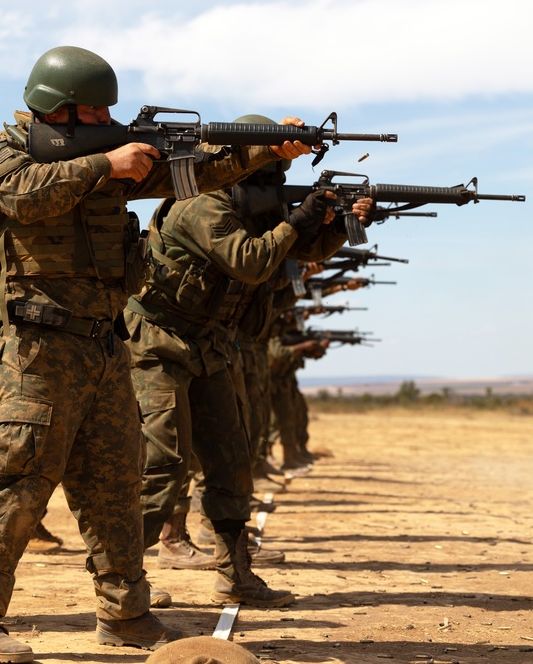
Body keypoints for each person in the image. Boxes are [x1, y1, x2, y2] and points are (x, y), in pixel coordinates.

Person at [0, 46, 307, 662]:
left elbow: (197, 176)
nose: (109, 120)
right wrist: (106, 163)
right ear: (59, 112)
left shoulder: (107, 161)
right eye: (96, 109)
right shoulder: (3, 151)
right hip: (36, 346)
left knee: (115, 486)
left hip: (104, 343)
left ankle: (126, 615)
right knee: (19, 478)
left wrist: (266, 150)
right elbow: (20, 195)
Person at [125, 114, 373, 607]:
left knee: (233, 463)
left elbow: (296, 256)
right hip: (159, 341)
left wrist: (340, 225)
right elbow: (252, 262)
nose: (275, 184)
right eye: (267, 175)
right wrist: (297, 219)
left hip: (211, 344)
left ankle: (236, 575)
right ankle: (124, 581)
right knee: (163, 464)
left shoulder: (251, 210)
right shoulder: (199, 204)